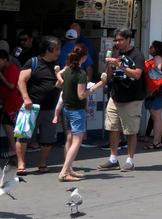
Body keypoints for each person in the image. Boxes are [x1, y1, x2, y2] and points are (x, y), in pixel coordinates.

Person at [98, 27, 146, 172]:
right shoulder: (115, 53)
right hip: (116, 96)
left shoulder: (137, 55)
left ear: (128, 40)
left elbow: (137, 74)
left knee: (130, 130)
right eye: (116, 40)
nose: (117, 43)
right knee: (113, 128)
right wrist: (109, 68)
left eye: (120, 40)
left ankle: (129, 161)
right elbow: (110, 75)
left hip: (132, 98)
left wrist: (120, 65)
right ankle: (113, 159)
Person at [57, 44, 106, 182]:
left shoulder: (66, 71)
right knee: (77, 141)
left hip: (66, 108)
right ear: (84, 57)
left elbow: (58, 84)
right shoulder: (81, 73)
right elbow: (81, 95)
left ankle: (69, 168)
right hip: (76, 110)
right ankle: (64, 171)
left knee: (69, 139)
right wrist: (97, 86)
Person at [16, 36, 61, 175]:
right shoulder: (33, 62)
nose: (59, 52)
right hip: (31, 108)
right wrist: (26, 98)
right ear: (48, 50)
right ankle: (21, 163)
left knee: (47, 139)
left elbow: (59, 85)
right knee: (24, 136)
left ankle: (42, 163)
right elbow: (21, 81)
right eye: (57, 49)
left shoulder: (57, 65)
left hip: (50, 109)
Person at [142, 41, 162, 150]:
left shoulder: (158, 57)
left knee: (156, 117)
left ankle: (156, 142)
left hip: (158, 91)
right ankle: (157, 141)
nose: (150, 49)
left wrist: (152, 89)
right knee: (157, 117)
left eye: (151, 47)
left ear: (156, 49)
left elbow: (156, 72)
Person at [0, 50, 22, 161]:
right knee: (8, 124)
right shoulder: (5, 69)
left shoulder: (12, 68)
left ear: (4, 59)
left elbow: (11, 85)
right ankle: (12, 148)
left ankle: (13, 149)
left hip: (13, 102)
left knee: (7, 123)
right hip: (7, 101)